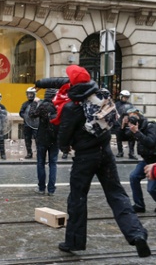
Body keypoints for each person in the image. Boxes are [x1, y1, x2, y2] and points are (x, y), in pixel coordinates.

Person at [50, 65, 150, 258]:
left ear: (73, 83)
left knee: (77, 198)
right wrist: (41, 83)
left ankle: (74, 242)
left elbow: (63, 136)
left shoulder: (72, 107)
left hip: (84, 158)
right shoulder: (100, 95)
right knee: (117, 195)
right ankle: (137, 234)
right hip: (105, 153)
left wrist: (64, 147)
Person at [28, 88, 59, 196]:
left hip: (42, 138)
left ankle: (41, 188)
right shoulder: (58, 106)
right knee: (53, 164)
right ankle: (51, 189)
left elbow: (31, 115)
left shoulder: (43, 106)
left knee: (41, 163)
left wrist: (34, 102)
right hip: (55, 139)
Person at [125, 108, 156, 213]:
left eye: (134, 116)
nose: (132, 118)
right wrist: (123, 125)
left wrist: (137, 132)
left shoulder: (151, 126)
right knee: (134, 177)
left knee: (151, 188)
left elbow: (151, 143)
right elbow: (124, 136)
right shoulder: (137, 128)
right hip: (146, 160)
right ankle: (139, 205)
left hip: (154, 161)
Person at [114, 90, 137, 159]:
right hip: (119, 124)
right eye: (124, 97)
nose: (125, 98)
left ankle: (131, 153)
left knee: (131, 138)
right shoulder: (116, 104)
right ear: (121, 96)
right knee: (119, 139)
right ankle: (120, 152)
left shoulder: (130, 105)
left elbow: (133, 113)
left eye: (127, 97)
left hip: (128, 124)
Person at [19, 87, 38, 159]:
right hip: (27, 125)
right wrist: (26, 117)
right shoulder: (25, 104)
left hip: (36, 125)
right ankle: (29, 153)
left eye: (31, 94)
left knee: (37, 140)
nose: (30, 95)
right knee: (27, 139)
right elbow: (21, 113)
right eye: (29, 94)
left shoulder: (37, 103)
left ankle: (39, 153)